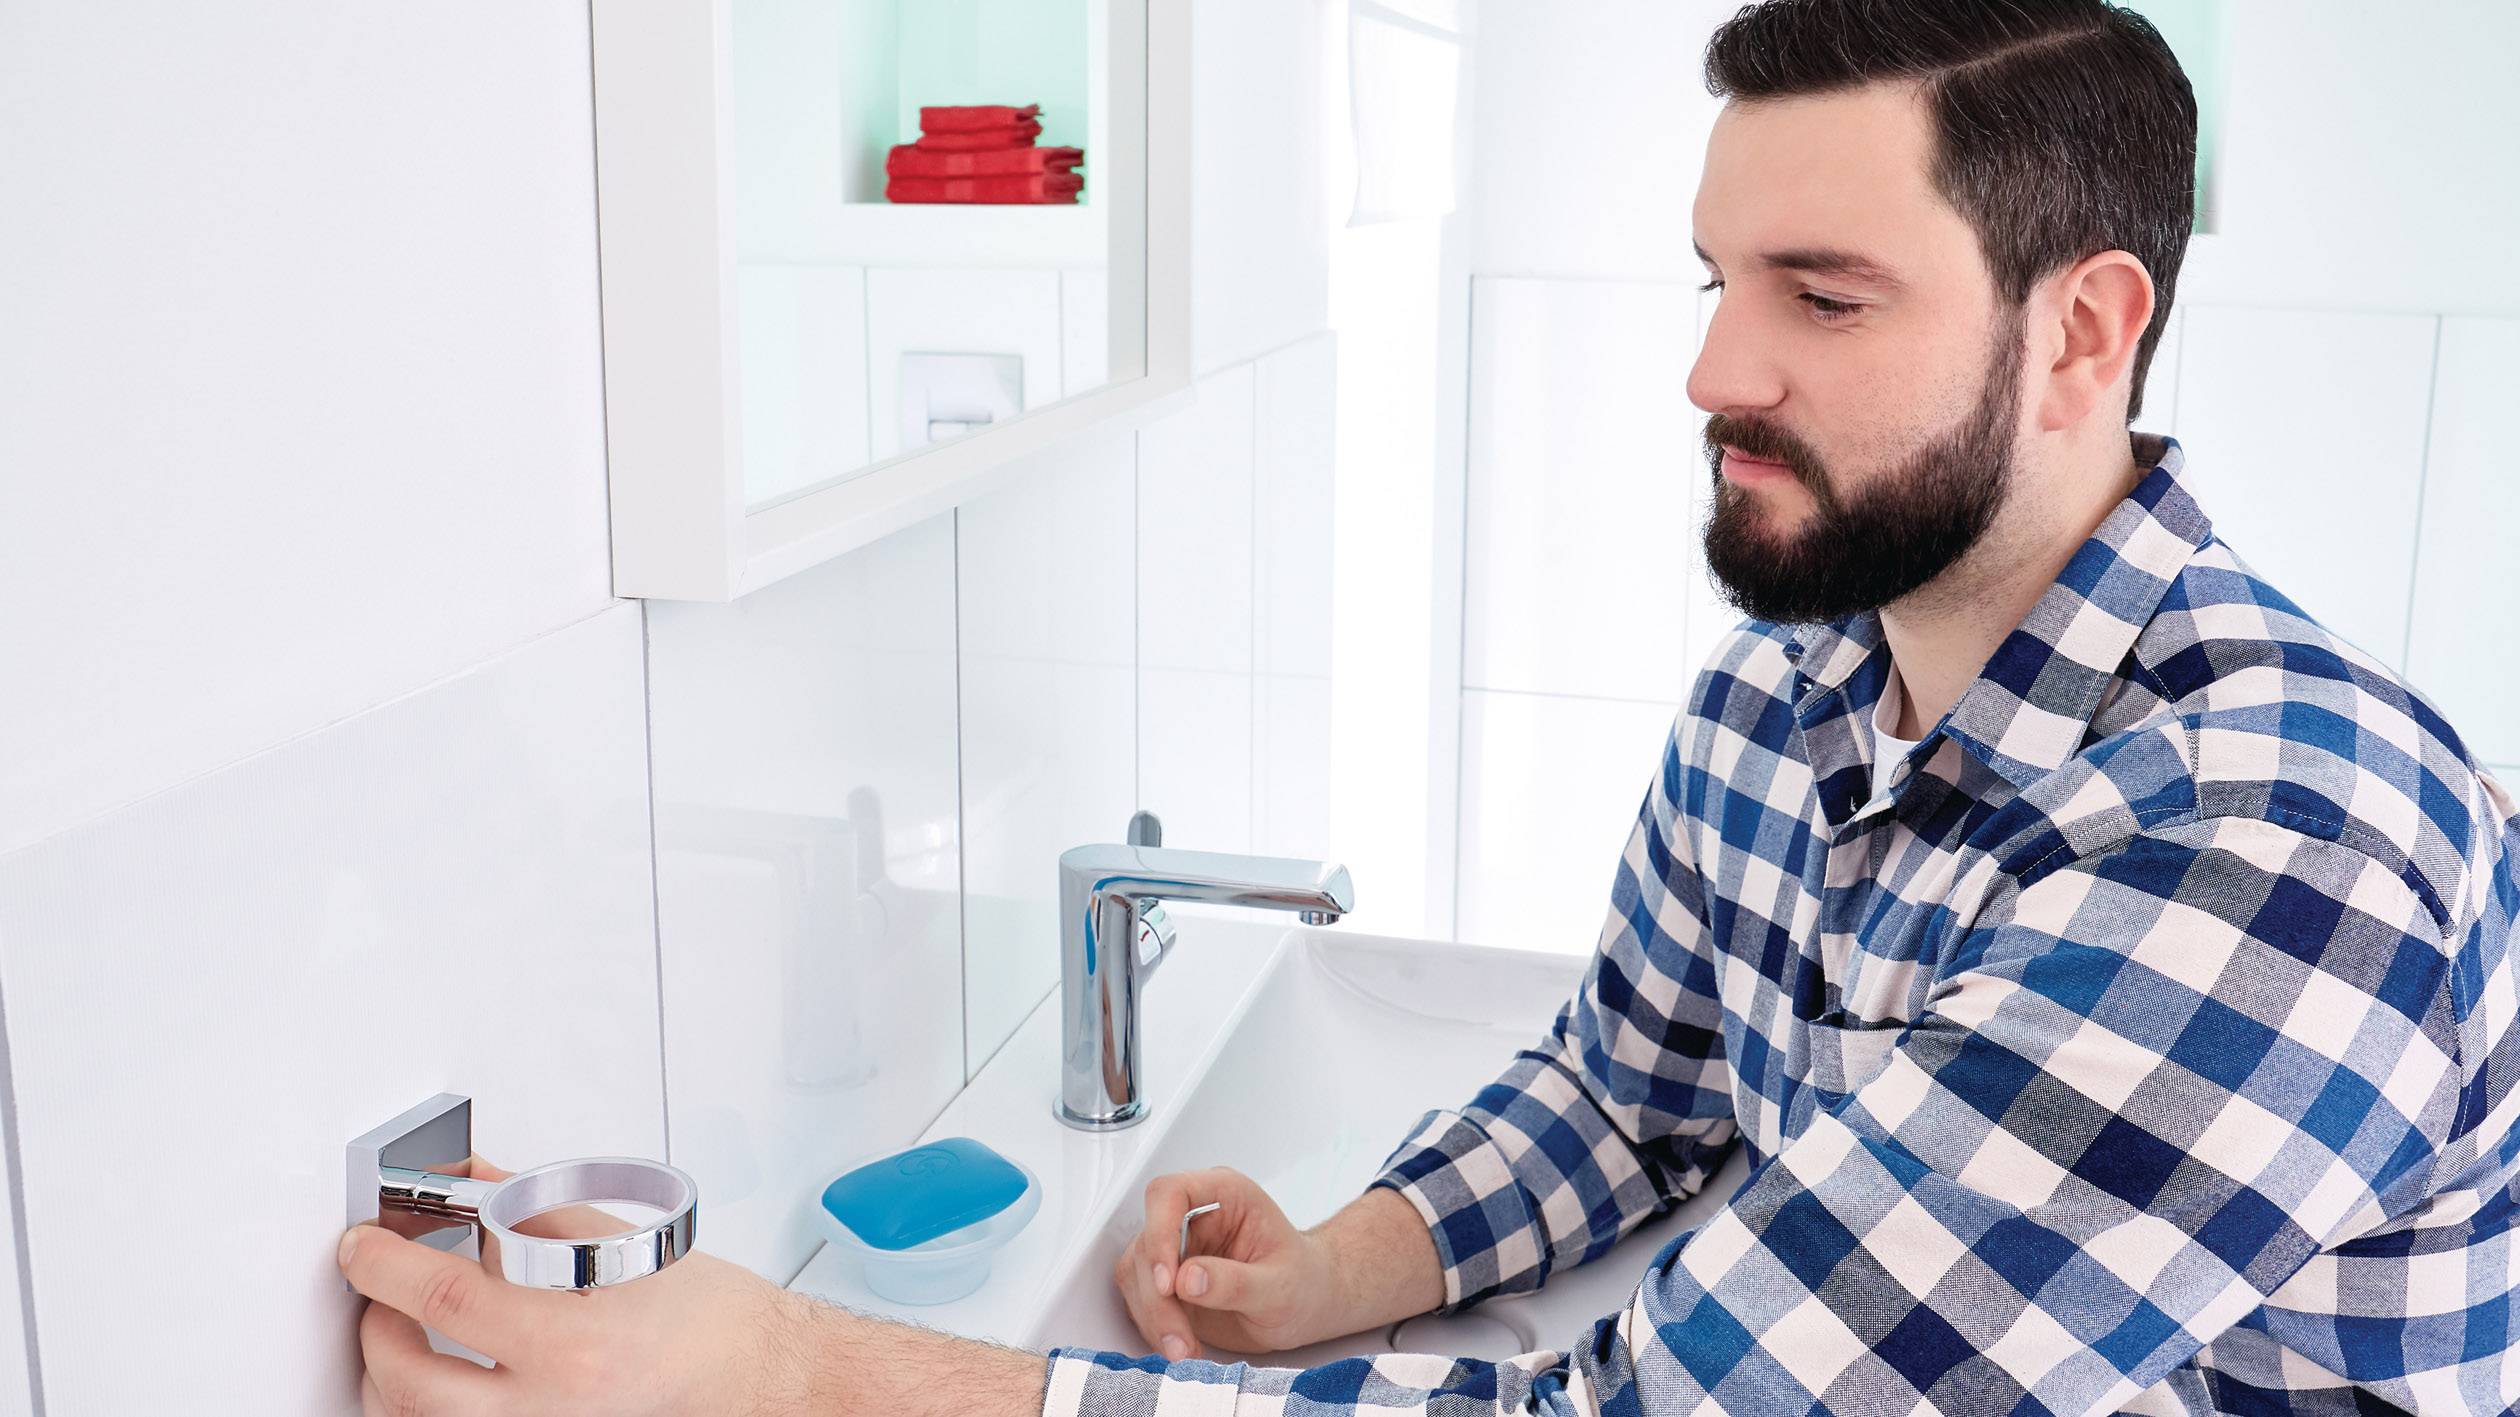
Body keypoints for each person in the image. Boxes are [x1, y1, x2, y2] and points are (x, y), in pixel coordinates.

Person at [337, 0, 2520, 1412]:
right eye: (1715, 279)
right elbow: (1639, 1089)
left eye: (1820, 296)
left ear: (2079, 335)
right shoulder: (1796, 685)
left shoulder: (2286, 847)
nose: (1707, 372)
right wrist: (1342, 1266)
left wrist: (798, 1376)